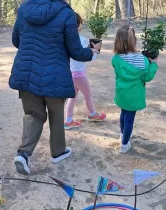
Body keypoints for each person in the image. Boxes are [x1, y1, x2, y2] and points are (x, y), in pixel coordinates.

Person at [9, 0, 101, 175]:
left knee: (33, 115)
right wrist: (92, 52)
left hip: (26, 72)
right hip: (55, 75)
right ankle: (58, 152)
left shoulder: (23, 10)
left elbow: (16, 41)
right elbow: (75, 50)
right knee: (56, 115)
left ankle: (23, 154)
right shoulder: (66, 13)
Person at [112, 25, 158, 154]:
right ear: (134, 40)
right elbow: (147, 77)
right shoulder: (142, 60)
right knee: (129, 120)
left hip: (121, 94)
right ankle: (124, 144)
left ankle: (122, 135)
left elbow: (118, 68)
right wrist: (153, 64)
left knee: (123, 115)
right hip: (134, 96)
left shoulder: (116, 58)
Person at [64, 13, 106, 130]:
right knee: (88, 94)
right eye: (80, 23)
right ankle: (92, 114)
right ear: (77, 26)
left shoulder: (66, 40)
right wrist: (96, 49)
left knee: (72, 97)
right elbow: (90, 57)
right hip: (79, 75)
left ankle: (68, 120)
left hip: (70, 73)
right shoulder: (82, 40)